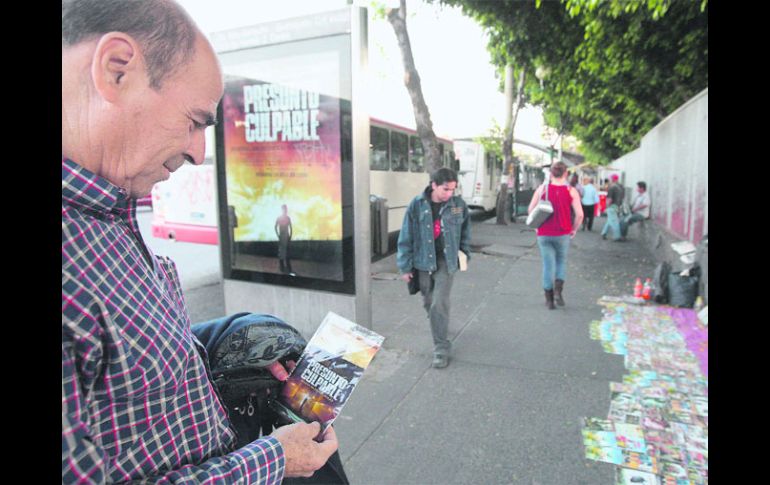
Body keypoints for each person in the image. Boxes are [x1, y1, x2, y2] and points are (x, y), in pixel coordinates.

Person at [62, 1, 339, 483]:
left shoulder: (108, 207)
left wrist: (233, 344)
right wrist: (274, 459)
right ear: (116, 69)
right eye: (194, 120)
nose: (198, 151)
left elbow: (128, 375)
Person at [397, 167, 471, 369]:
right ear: (434, 185)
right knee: (429, 302)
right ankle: (439, 325)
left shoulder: (458, 205)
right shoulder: (417, 205)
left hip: (446, 261)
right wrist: (405, 266)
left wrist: (464, 253)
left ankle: (441, 347)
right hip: (422, 261)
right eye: (445, 189)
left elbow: (465, 231)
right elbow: (406, 235)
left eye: (452, 190)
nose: (449, 194)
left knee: (439, 302)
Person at [527, 161, 584, 309]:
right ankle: (558, 292)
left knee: (547, 265)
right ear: (565, 174)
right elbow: (579, 215)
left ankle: (549, 300)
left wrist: (536, 226)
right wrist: (574, 229)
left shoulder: (542, 189)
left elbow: (531, 209)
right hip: (563, 233)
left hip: (544, 233)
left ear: (551, 174)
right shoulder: (571, 191)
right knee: (561, 262)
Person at [600, 174, 625, 242]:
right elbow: (623, 197)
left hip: (612, 206)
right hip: (618, 205)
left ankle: (617, 236)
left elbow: (609, 199)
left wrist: (606, 207)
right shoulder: (621, 187)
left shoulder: (612, 187)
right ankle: (604, 233)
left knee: (614, 222)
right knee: (610, 220)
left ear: (612, 179)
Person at [275, 204, 294, 273]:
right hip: (282, 236)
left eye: (286, 209)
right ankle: (282, 265)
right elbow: (275, 226)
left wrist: (290, 236)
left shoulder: (288, 218)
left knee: (287, 251)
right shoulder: (279, 218)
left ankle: (287, 266)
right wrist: (278, 235)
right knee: (281, 251)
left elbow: (290, 228)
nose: (285, 210)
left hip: (286, 236)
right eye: (284, 209)